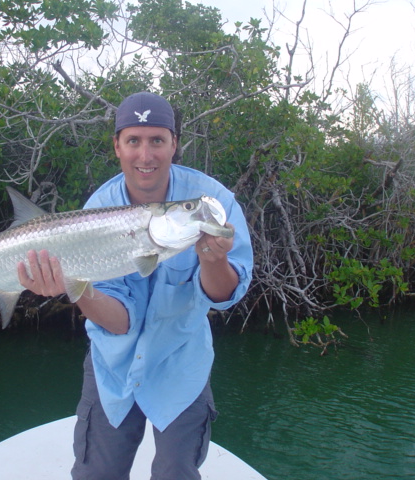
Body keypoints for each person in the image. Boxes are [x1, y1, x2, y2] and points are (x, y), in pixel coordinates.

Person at [17, 92, 253, 479]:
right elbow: (120, 323)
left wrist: (215, 260)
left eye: (157, 140)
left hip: (181, 362)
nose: (146, 155)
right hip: (113, 364)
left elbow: (226, 295)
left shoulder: (212, 202)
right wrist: (74, 286)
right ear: (117, 146)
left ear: (174, 144)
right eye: (134, 141)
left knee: (176, 473)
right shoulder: (98, 209)